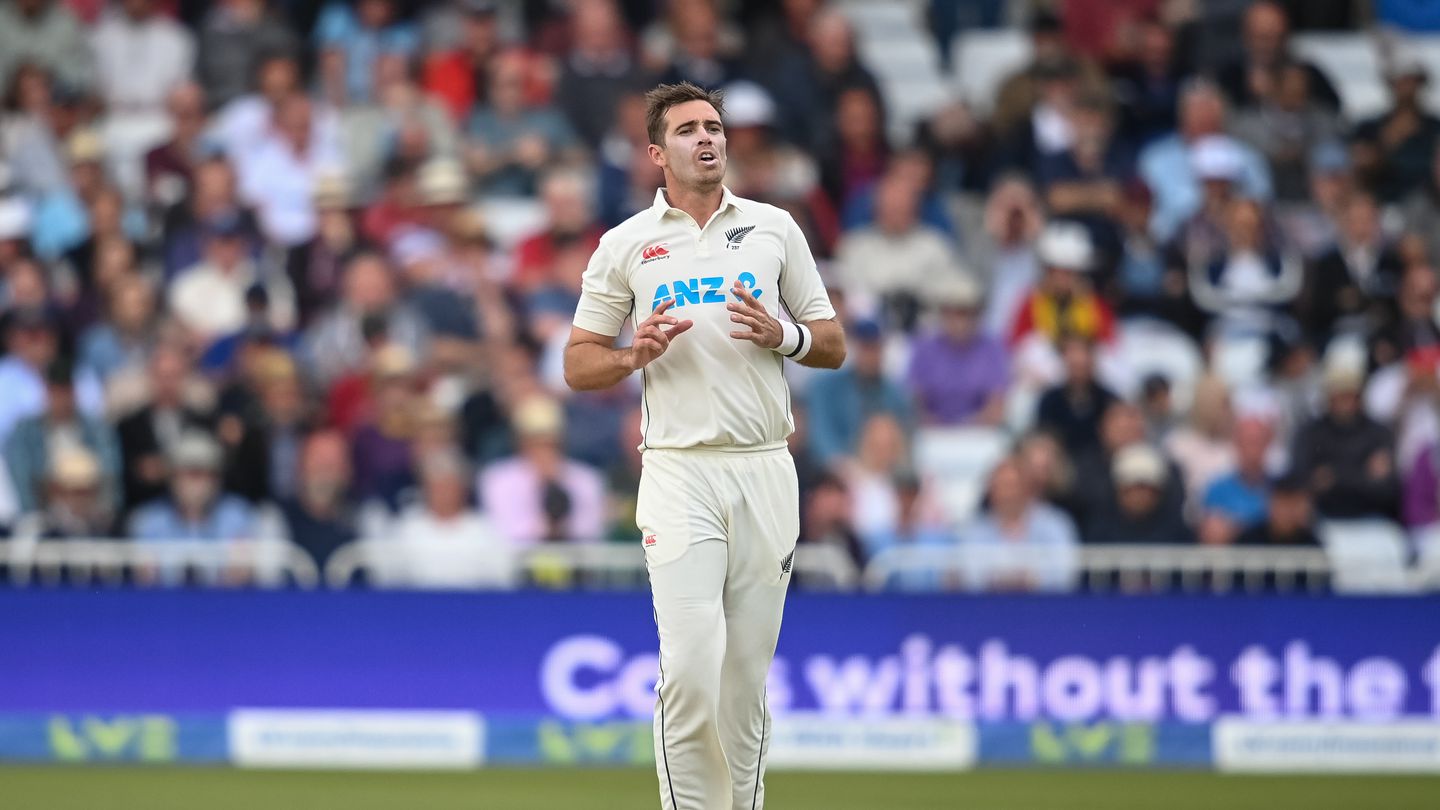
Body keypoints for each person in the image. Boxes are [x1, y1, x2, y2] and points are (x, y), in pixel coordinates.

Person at [563, 82, 844, 810]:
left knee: (743, 682)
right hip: (679, 471)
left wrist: (785, 335)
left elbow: (833, 342)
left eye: (714, 127)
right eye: (688, 130)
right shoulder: (626, 244)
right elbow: (577, 361)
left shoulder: (775, 227)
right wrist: (631, 355)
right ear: (657, 153)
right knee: (689, 671)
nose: (708, 138)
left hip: (763, 466)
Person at [960, 455, 1080, 592]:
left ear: (1026, 488)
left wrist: (1030, 579)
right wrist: (1005, 579)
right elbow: (970, 575)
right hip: (989, 608)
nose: (1006, 494)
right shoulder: (976, 530)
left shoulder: (1054, 524)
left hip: (1043, 607)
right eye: (999, 486)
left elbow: (1065, 572)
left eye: (1011, 486)